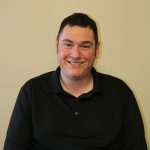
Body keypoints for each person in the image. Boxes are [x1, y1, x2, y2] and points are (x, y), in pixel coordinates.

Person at [4, 13, 147, 150]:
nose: (75, 54)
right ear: (57, 46)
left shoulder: (120, 93)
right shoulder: (32, 91)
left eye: (85, 46)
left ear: (97, 50)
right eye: (68, 44)